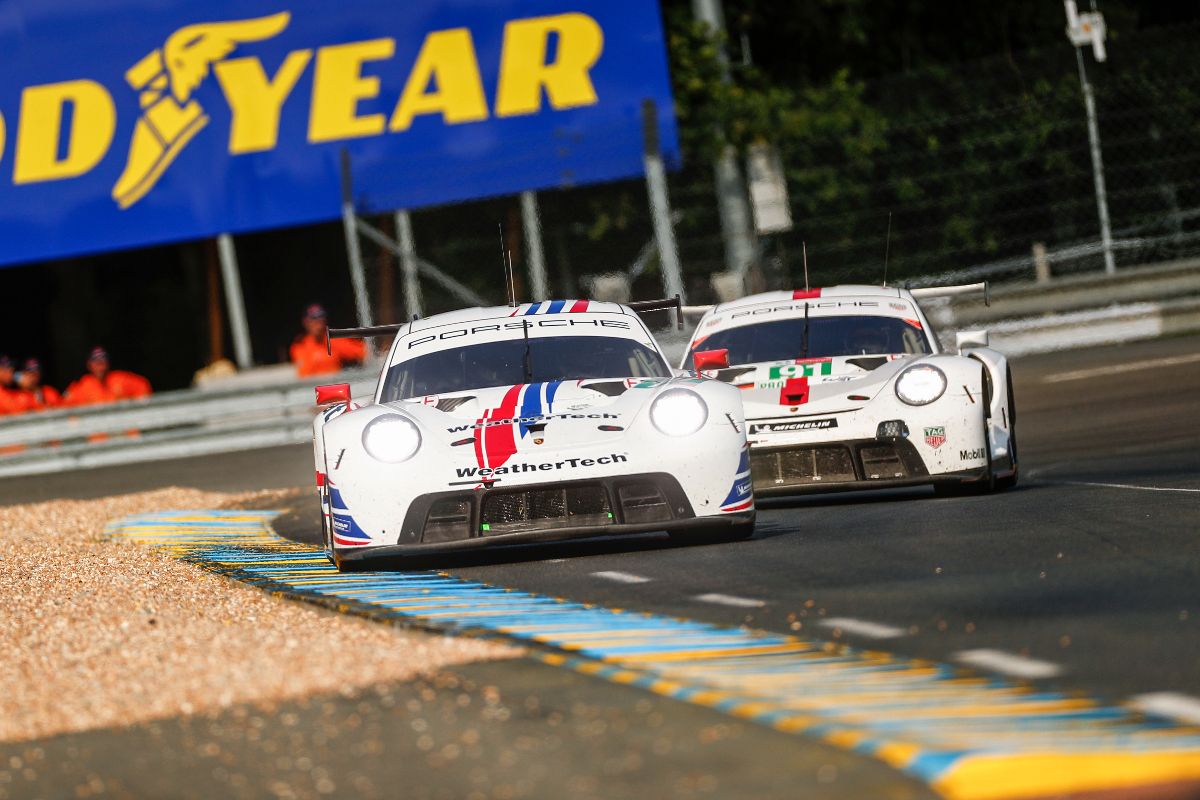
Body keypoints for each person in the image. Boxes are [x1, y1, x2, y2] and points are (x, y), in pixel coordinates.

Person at [290, 304, 366, 377]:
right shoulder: (299, 346)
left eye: (321, 317)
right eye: (313, 318)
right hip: (311, 387)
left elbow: (365, 352)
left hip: (334, 385)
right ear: (305, 322)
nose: (318, 322)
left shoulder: (334, 340)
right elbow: (304, 374)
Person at [64, 347, 152, 406]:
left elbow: (143, 386)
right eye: (95, 360)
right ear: (89, 364)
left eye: (103, 359)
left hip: (124, 430)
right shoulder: (81, 386)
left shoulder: (121, 379)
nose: (100, 364)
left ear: (108, 363)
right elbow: (65, 406)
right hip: (98, 432)